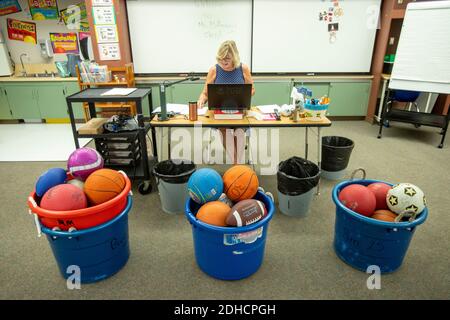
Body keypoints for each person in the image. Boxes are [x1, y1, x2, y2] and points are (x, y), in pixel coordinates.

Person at [197, 40, 255, 164]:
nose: (223, 61)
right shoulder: (214, 70)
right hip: (220, 112)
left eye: (227, 58)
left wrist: (243, 94)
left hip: (239, 110)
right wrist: (201, 98)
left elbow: (252, 89)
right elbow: (205, 93)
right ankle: (236, 163)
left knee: (239, 130)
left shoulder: (243, 69)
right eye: (221, 58)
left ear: (235, 56)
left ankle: (236, 163)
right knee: (225, 129)